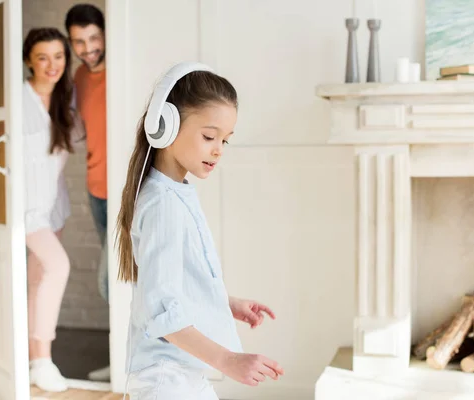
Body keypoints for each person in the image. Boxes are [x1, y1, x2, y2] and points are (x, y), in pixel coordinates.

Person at [115, 62, 285, 400]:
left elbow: (178, 282)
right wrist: (229, 361)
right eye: (209, 136)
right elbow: (161, 310)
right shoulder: (163, 203)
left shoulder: (174, 192)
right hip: (166, 378)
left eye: (225, 139)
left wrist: (224, 302)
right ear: (165, 126)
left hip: (183, 371)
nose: (219, 148)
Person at [22, 27, 84, 393]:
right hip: (25, 210)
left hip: (53, 207)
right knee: (58, 266)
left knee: (38, 280)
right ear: (29, 59)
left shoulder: (66, 98)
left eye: (58, 57)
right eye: (43, 57)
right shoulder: (17, 98)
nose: (51, 65)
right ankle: (44, 361)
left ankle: (32, 359)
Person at [64, 3, 111, 382]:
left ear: (105, 34)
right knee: (117, 279)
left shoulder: (123, 68)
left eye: (93, 38)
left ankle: (127, 355)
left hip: (124, 192)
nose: (88, 47)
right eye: (79, 41)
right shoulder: (79, 75)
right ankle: (122, 355)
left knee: (111, 281)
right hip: (96, 191)